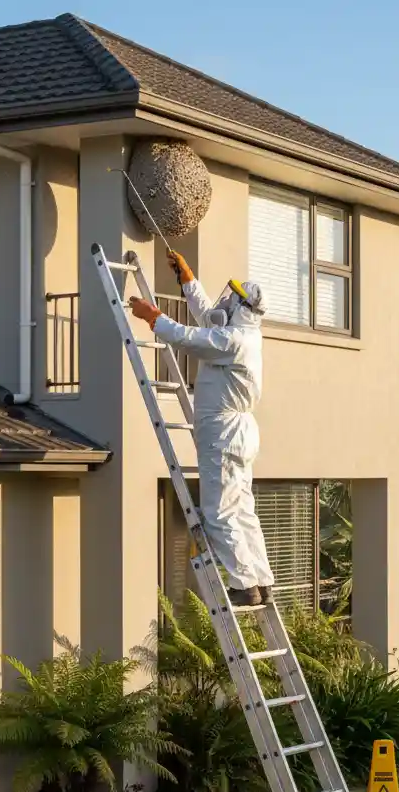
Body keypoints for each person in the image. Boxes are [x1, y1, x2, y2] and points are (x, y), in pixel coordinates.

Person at [128, 250, 274, 607]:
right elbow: (207, 319)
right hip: (237, 431)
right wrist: (188, 280)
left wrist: (154, 318)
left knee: (219, 512)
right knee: (242, 509)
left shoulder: (234, 341)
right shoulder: (239, 335)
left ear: (241, 308)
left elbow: (189, 337)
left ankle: (243, 584)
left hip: (223, 431)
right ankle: (260, 579)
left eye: (231, 298)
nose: (224, 301)